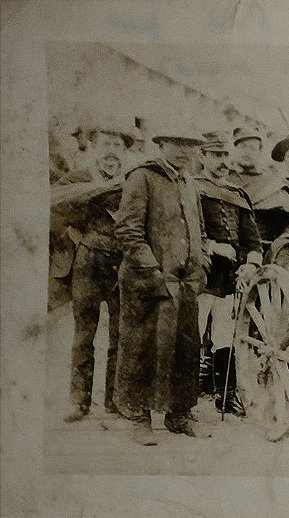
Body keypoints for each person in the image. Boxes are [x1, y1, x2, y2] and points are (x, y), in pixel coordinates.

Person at [114, 128, 208, 445]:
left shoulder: (189, 182)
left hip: (186, 283)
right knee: (142, 348)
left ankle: (178, 416)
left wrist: (202, 262)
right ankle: (138, 419)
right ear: (162, 145)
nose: (184, 151)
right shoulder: (142, 177)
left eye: (191, 145)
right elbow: (127, 229)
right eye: (178, 143)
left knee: (185, 348)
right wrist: (152, 268)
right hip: (148, 280)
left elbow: (200, 231)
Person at [57, 122, 135, 422]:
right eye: (106, 145)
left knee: (122, 334)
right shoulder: (77, 179)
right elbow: (56, 208)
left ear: (124, 152)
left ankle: (116, 400)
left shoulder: (131, 182)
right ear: (94, 148)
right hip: (88, 265)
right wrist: (78, 238)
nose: (111, 153)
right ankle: (79, 401)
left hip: (123, 264)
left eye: (117, 146)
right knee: (83, 334)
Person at [195, 131, 262, 417]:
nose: (222, 161)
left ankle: (226, 397)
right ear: (203, 157)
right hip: (199, 276)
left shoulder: (238, 194)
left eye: (224, 155)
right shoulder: (192, 189)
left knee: (225, 337)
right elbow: (184, 233)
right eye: (215, 155)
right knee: (193, 335)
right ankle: (185, 401)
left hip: (228, 280)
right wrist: (212, 246)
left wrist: (251, 263)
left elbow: (253, 241)